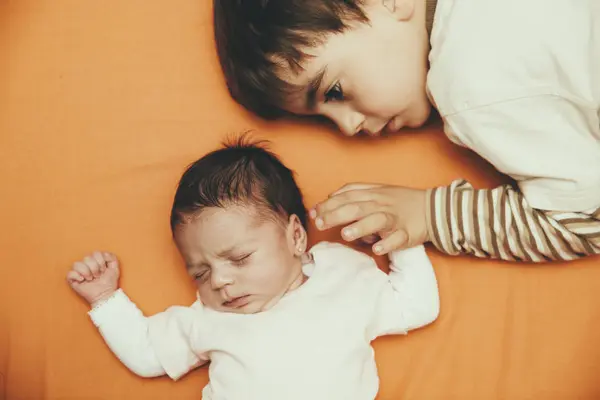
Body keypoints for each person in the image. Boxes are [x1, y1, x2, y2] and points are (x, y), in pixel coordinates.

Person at [213, 0, 600, 262]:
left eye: (334, 92)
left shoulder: (470, 84)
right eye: (321, 119)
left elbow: (585, 218)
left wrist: (431, 216)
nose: (348, 127)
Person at [66, 138, 439, 400]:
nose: (221, 281)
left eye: (240, 258)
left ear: (295, 236)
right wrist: (105, 299)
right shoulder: (209, 316)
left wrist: (400, 239)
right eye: (200, 273)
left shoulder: (342, 276)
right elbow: (148, 354)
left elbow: (416, 307)